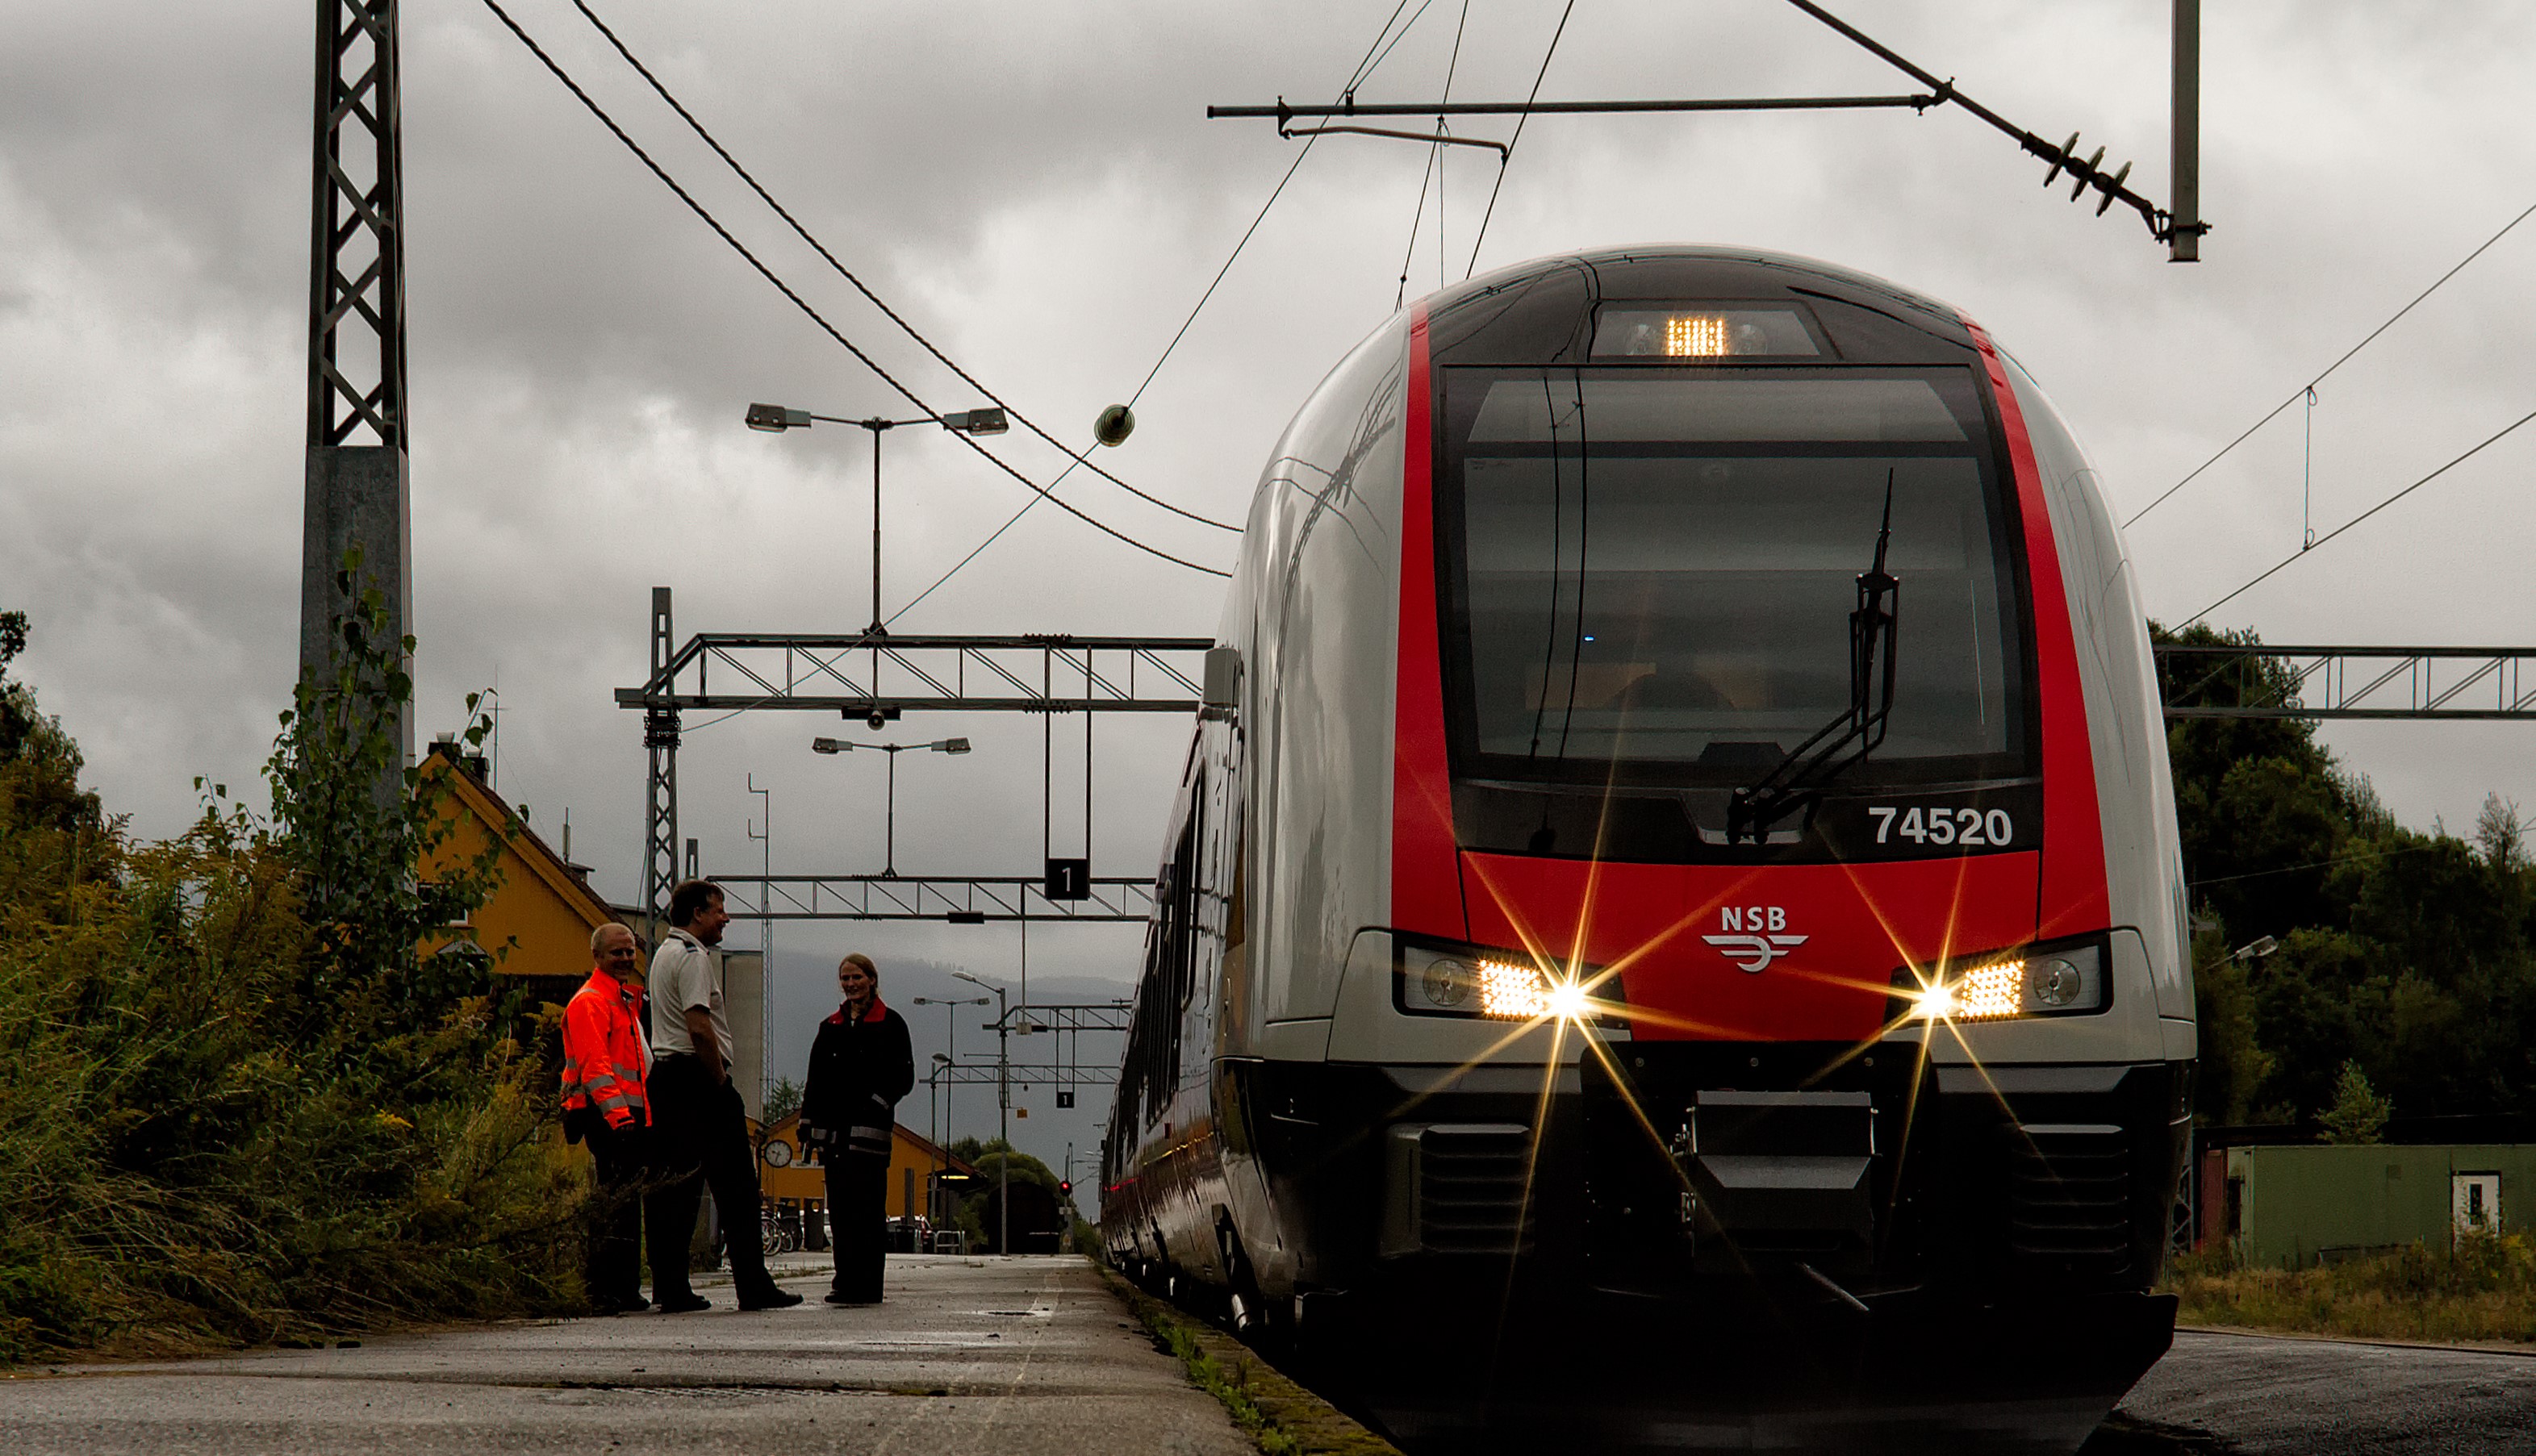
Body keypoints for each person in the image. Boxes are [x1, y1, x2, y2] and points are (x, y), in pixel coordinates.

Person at [642, 879, 802, 1312]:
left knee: (674, 1187)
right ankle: (753, 1284)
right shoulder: (694, 958)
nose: (725, 918)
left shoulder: (663, 955)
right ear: (697, 914)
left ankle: (670, 1286)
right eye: (719, 910)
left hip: (666, 1078)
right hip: (697, 1080)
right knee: (737, 1186)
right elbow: (699, 1027)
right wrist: (719, 1082)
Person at [801, 953, 913, 1305]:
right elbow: (815, 1079)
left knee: (867, 1211)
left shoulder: (892, 1024)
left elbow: (904, 1077)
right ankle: (844, 1281)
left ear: (872, 980)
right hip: (834, 1137)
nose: (851, 985)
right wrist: (808, 1122)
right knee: (842, 1209)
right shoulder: (829, 1027)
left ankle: (868, 1284)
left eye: (857, 978)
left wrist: (878, 1104)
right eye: (846, 979)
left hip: (870, 1138)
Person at [562, 922, 652, 1314]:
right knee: (614, 1204)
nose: (626, 959)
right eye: (617, 953)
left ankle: (624, 1289)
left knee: (625, 1204)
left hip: (624, 1113)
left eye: (630, 951)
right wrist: (621, 1119)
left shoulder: (623, 1000)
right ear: (597, 957)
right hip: (608, 1116)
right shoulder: (592, 1001)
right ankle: (603, 1291)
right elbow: (596, 1067)